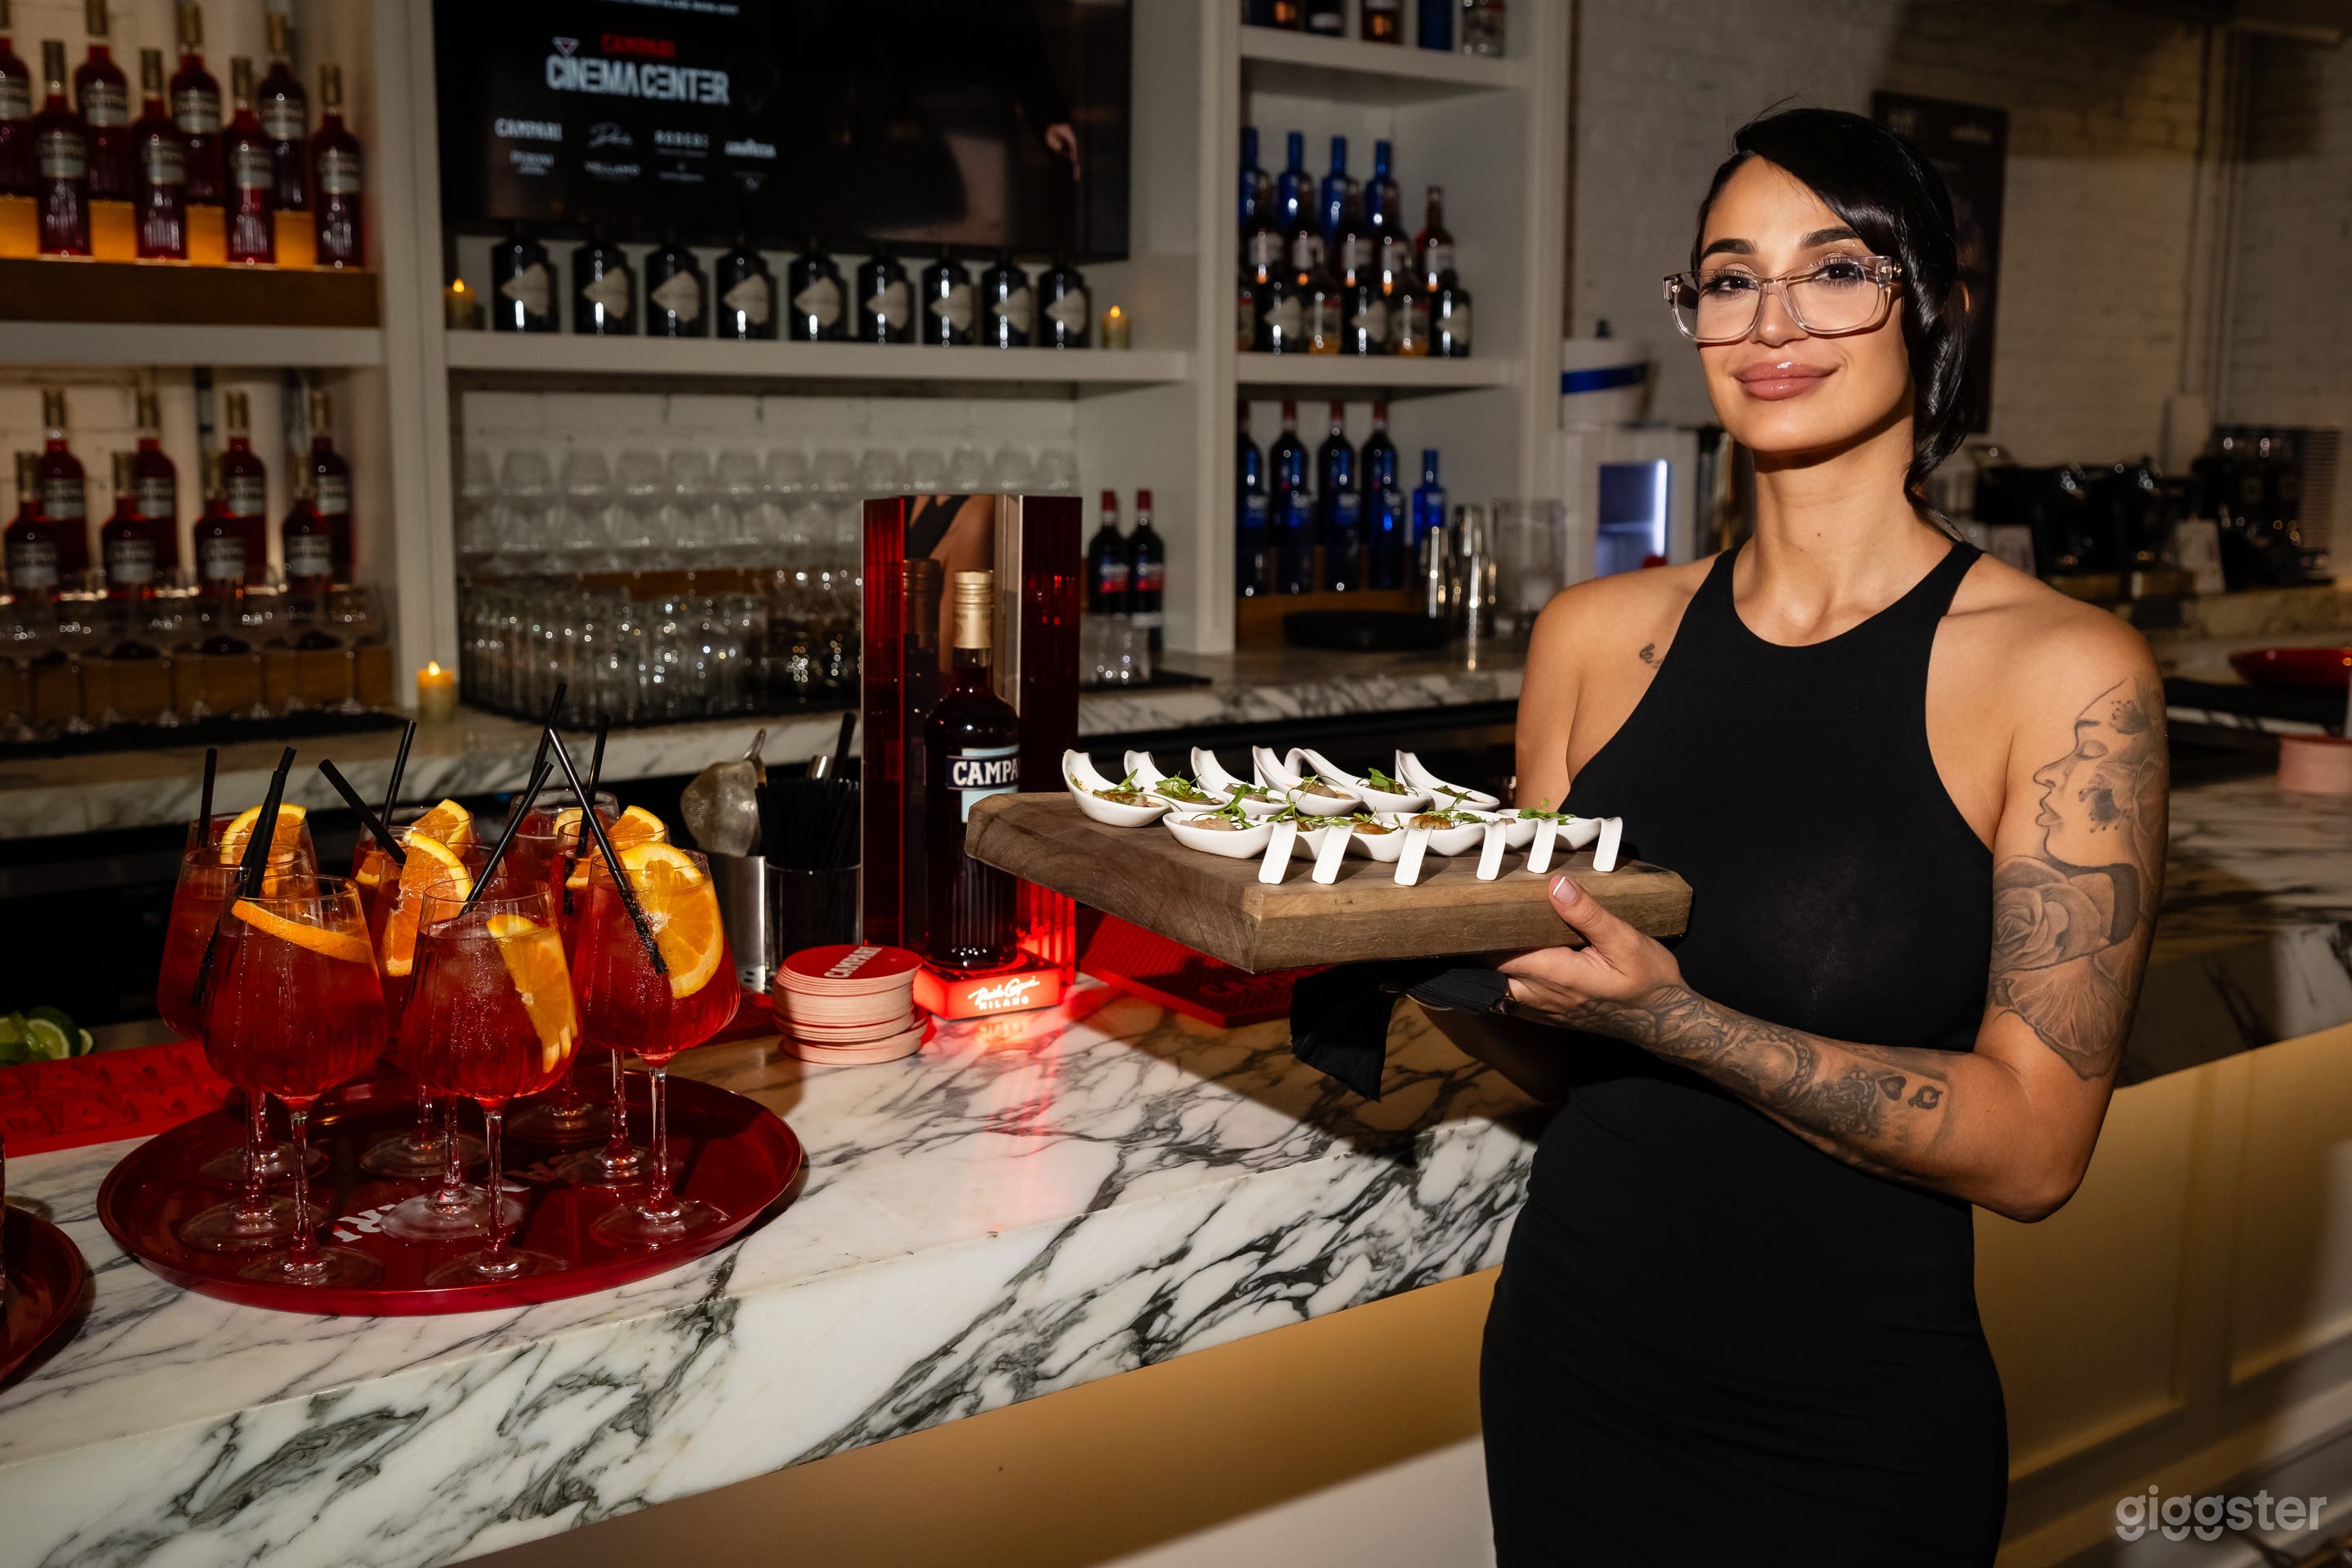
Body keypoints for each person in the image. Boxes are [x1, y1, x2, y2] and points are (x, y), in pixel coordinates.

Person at [1419, 106, 2167, 1564]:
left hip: (1850, 1423)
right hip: (1577, 1360)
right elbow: (1561, 1044)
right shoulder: (1589, 637)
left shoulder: (2066, 676)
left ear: (1931, 308)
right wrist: (1400, 950)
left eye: (1835, 270)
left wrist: (1684, 1020)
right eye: (1728, 276)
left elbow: (2036, 1153)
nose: (1772, 322)